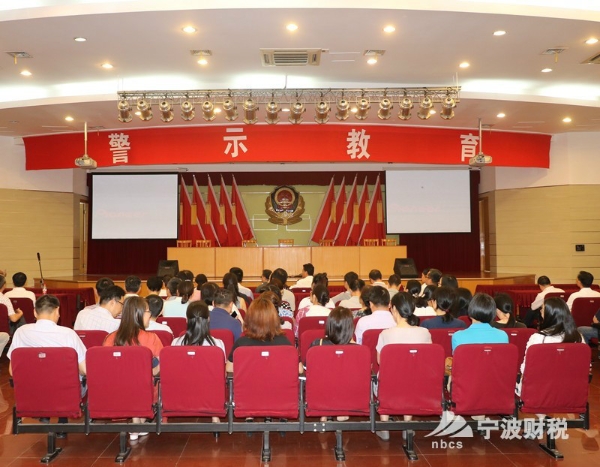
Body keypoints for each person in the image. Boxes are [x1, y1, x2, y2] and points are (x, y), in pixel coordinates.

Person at [103, 296, 163, 441]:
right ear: (138, 314)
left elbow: (106, 369)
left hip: (116, 392)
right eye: (148, 311)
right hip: (145, 392)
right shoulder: (151, 338)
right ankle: (139, 417)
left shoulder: (110, 338)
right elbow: (162, 367)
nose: (150, 314)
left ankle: (137, 418)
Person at [375, 292, 431, 441]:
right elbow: (427, 360)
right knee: (411, 375)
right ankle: (408, 424)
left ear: (394, 309)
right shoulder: (424, 332)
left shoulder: (385, 334)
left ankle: (384, 425)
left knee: (386, 377)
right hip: (416, 384)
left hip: (390, 385)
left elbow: (380, 362)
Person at [518, 298, 583, 394]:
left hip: (541, 391)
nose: (540, 311)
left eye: (542, 309)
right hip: (571, 391)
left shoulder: (538, 338)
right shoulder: (578, 337)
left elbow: (526, 369)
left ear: (549, 314)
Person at [226, 297, 294, 373]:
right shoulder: (284, 342)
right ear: (274, 319)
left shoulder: (241, 343)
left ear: (250, 318)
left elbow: (229, 368)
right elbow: (299, 369)